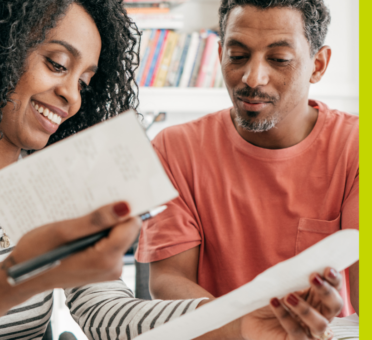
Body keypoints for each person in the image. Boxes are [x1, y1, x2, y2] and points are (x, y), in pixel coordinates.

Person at [0, 0, 347, 339]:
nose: (72, 95)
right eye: (56, 64)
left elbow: (106, 311)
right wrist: (20, 276)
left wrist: (235, 321)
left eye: (85, 81)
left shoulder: (57, 177)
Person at [136, 0, 359, 337]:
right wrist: (248, 331)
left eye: (279, 59)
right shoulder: (173, 148)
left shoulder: (358, 147)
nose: (252, 78)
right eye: (238, 57)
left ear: (318, 64)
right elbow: (169, 280)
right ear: (220, 52)